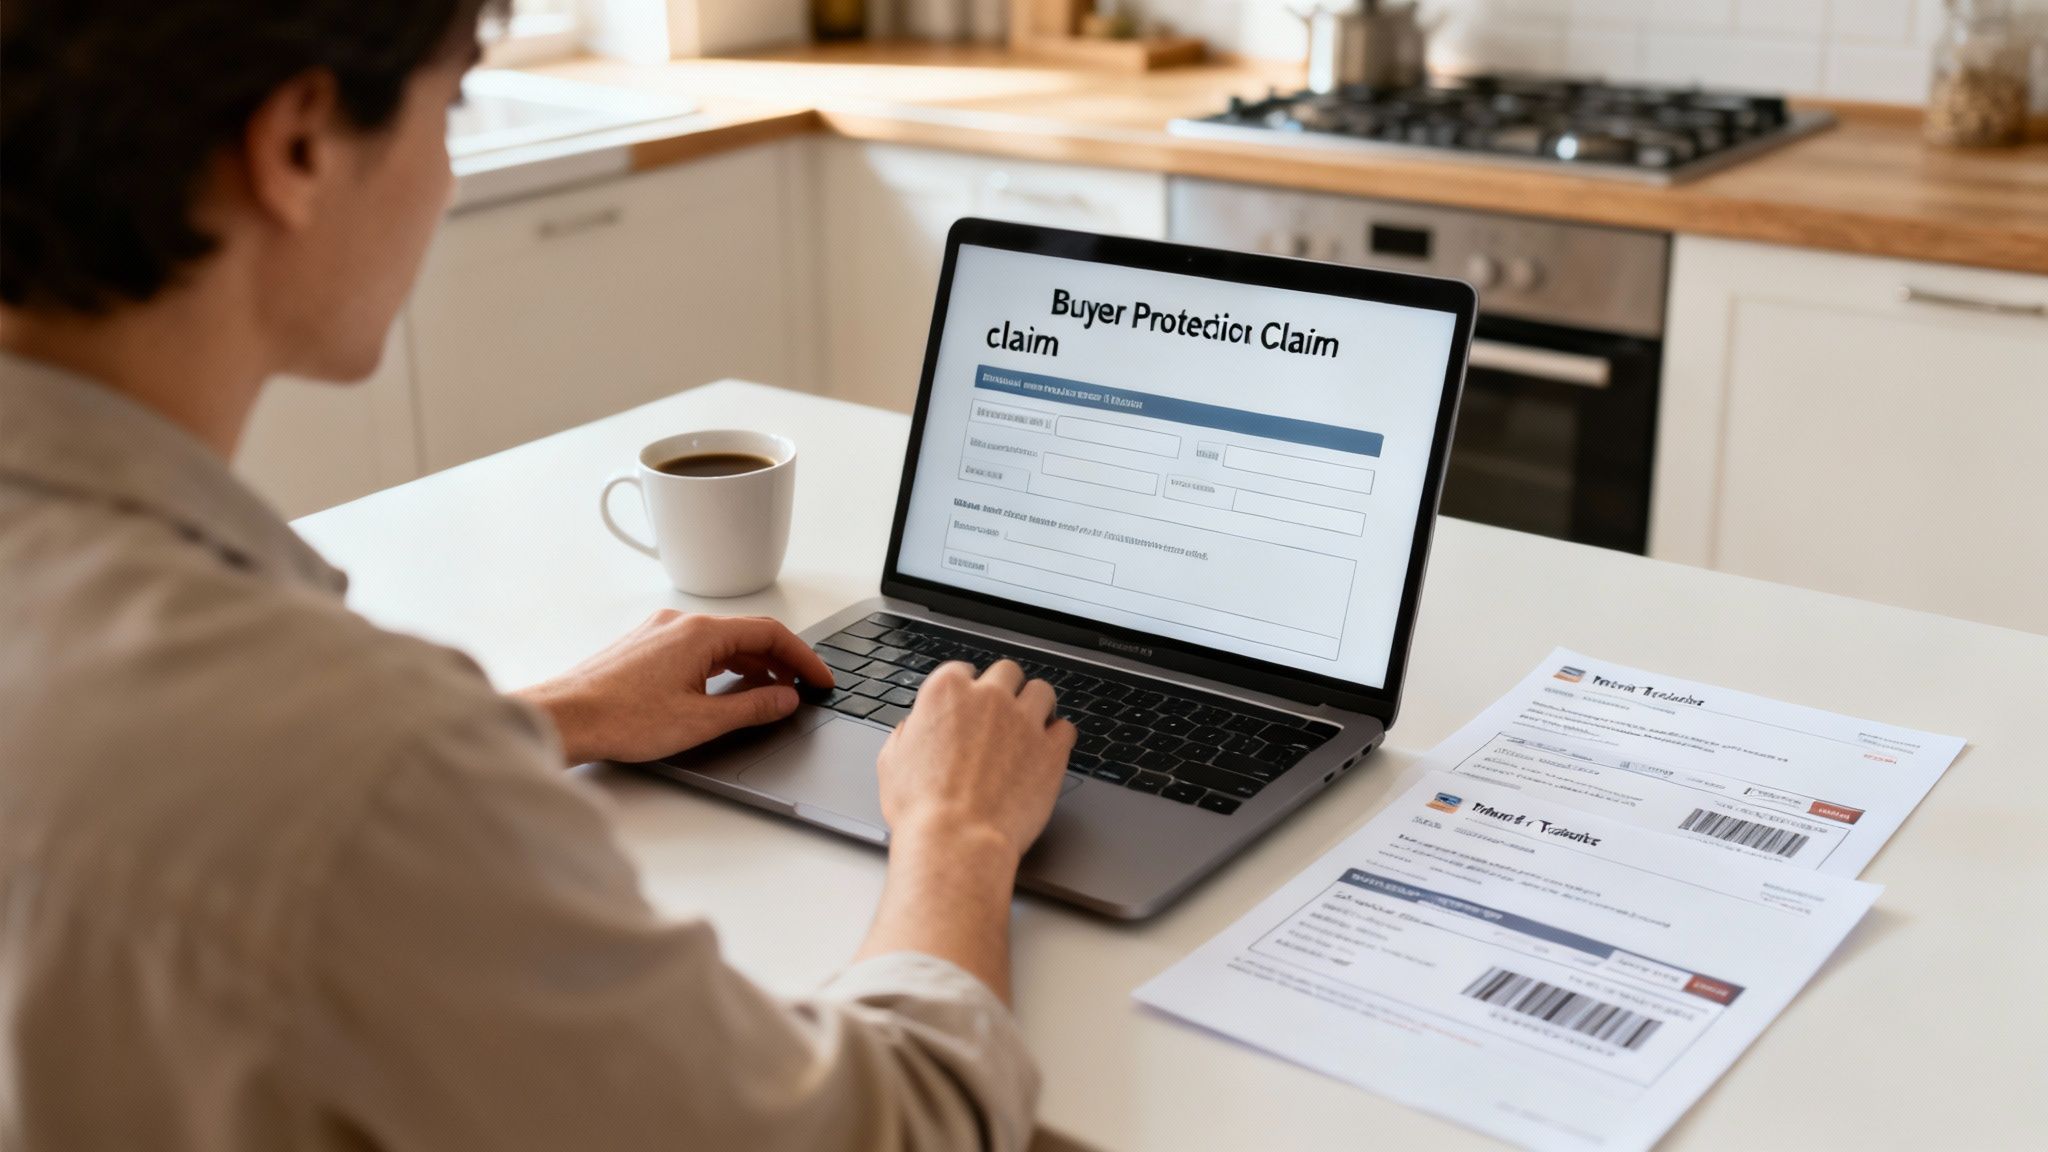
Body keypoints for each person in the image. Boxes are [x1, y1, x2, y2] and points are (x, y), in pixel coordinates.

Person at [0, 3, 1077, 1149]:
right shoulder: (361, 773)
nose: (449, 174)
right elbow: (887, 1131)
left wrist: (542, 717)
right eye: (450, 103)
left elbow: (194, 791)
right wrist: (957, 833)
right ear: (300, 146)